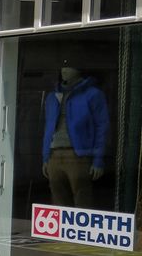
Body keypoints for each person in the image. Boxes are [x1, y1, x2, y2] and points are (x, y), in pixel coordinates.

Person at [42, 63, 109, 208]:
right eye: (62, 66)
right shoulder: (53, 96)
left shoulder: (93, 94)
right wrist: (46, 157)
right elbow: (48, 127)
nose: (64, 70)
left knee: (82, 199)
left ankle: (82, 230)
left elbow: (102, 127)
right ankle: (63, 230)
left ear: (79, 70)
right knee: (58, 200)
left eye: (70, 67)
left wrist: (98, 159)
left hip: (78, 155)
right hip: (55, 154)